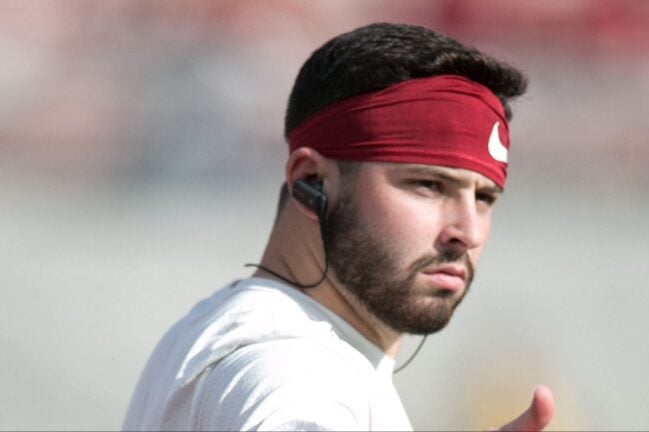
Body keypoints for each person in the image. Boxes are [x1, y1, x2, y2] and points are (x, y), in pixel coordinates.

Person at [123, 22, 555, 431]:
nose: (468, 231)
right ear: (310, 181)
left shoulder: (217, 326)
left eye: (484, 198)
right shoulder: (292, 370)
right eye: (428, 185)